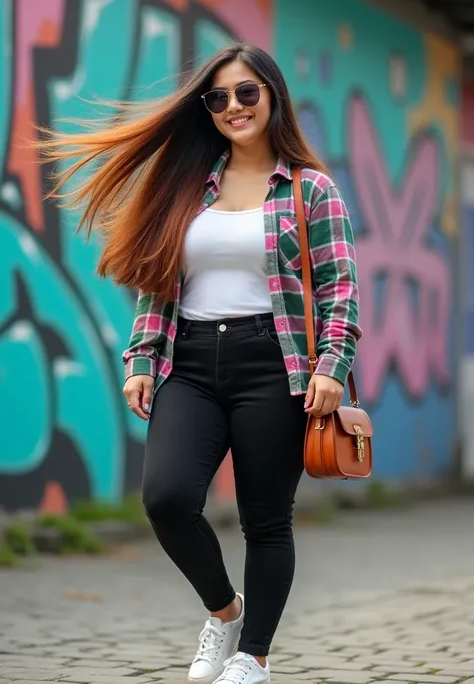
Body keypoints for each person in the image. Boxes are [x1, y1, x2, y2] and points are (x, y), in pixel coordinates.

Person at [40, 42, 361, 684]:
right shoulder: (191, 183)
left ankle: (255, 658)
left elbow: (340, 288)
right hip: (187, 361)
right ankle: (225, 611)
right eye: (219, 97)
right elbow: (159, 280)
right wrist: (140, 358)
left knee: (265, 519)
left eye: (247, 93)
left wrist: (331, 363)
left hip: (275, 366)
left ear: (272, 96)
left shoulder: (310, 189)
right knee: (166, 498)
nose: (233, 107)